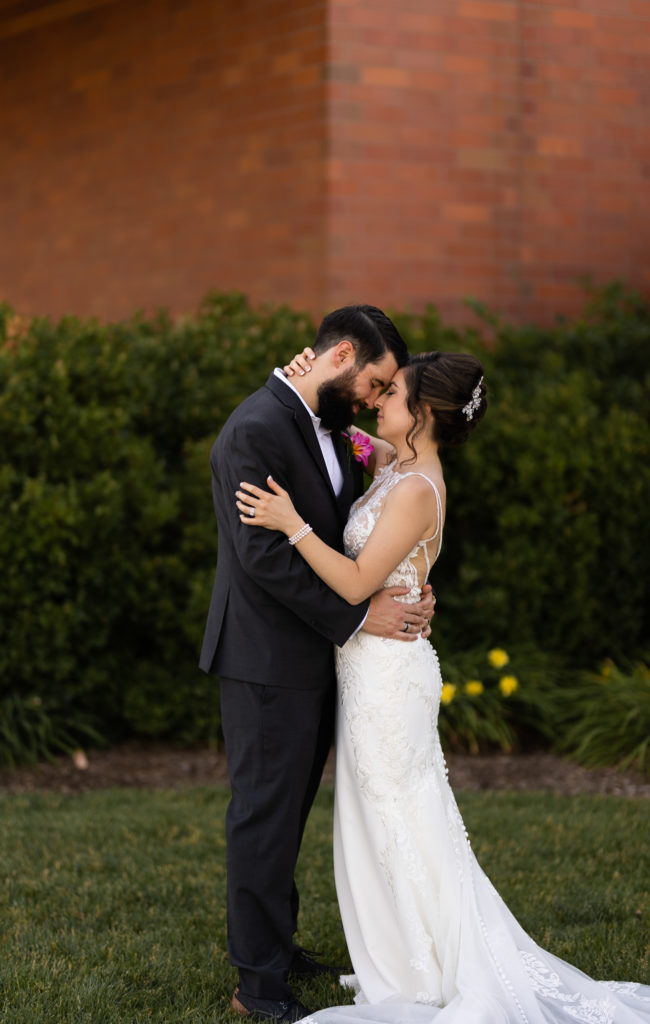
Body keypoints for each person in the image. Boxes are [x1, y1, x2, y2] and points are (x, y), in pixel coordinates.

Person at [236, 350, 650, 1024]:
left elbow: (357, 584)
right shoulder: (394, 467)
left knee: (399, 817)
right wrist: (299, 376)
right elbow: (343, 441)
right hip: (370, 669)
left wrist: (290, 525)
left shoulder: (417, 489)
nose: (379, 398)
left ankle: (423, 967)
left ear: (422, 414)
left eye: (392, 393)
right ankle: (403, 955)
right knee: (386, 816)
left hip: (388, 679)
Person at [199, 306, 436, 1024]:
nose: (374, 397)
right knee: (263, 818)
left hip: (316, 659)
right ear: (339, 355)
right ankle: (258, 984)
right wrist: (364, 615)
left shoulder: (324, 420)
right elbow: (263, 559)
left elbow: (362, 526)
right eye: (375, 380)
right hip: (267, 660)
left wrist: (408, 580)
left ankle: (278, 945)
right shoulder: (256, 430)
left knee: (288, 813)